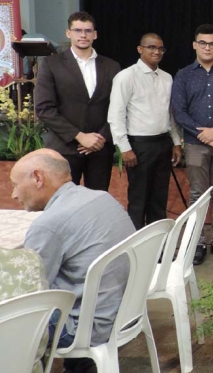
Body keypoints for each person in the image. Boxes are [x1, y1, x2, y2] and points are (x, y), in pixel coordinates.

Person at [14, 149, 135, 373]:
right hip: (123, 310)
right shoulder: (101, 197)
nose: (14, 194)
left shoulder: (49, 224)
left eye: (15, 184)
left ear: (38, 178)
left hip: (86, 326)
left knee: (11, 318)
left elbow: (29, 297)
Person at [172, 24, 213, 265]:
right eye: (202, 43)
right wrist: (205, 135)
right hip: (195, 144)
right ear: (194, 45)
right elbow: (179, 112)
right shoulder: (183, 75)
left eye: (212, 43)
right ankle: (197, 242)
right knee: (198, 195)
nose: (207, 47)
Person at [34, 12, 120, 191]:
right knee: (62, 206)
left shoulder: (112, 66)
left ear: (95, 34)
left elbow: (118, 107)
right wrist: (80, 136)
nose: (83, 35)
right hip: (64, 149)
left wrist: (100, 138)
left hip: (99, 150)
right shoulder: (51, 64)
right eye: (78, 30)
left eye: (88, 31)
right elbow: (44, 109)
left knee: (96, 204)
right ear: (68, 33)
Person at [108, 33, 182, 230]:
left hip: (163, 143)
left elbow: (170, 114)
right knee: (138, 200)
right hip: (139, 146)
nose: (156, 51)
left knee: (159, 199)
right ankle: (136, 249)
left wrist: (176, 142)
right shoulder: (126, 77)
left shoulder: (167, 78)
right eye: (151, 47)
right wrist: (124, 148)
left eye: (161, 48)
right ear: (140, 49)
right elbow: (116, 115)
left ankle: (158, 249)